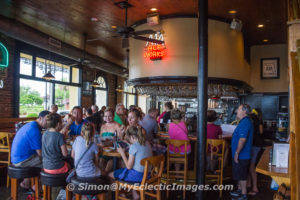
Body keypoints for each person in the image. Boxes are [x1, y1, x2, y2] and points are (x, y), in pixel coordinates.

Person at [109, 126, 152, 200]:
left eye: (129, 139)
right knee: (126, 170)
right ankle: (135, 194)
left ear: (132, 137)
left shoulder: (134, 147)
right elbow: (139, 149)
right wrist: (130, 145)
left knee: (110, 175)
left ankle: (121, 194)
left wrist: (122, 153)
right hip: (148, 174)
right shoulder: (147, 143)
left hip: (138, 176)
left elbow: (129, 166)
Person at [11, 110, 50, 189]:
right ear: (40, 118)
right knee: (50, 165)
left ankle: (26, 182)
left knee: (38, 159)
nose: (48, 122)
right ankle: (38, 187)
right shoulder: (35, 130)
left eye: (50, 120)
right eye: (47, 120)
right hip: (22, 160)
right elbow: (40, 154)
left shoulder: (31, 125)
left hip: (16, 158)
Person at [230, 104, 253, 200]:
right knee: (240, 173)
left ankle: (244, 195)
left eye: (238, 109)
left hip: (242, 154)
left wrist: (237, 153)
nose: (237, 111)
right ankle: (240, 191)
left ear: (244, 111)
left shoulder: (245, 122)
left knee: (242, 175)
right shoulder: (244, 121)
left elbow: (242, 139)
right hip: (242, 154)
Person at [247, 108, 263, 196]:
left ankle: (255, 187)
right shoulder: (259, 120)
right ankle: (249, 183)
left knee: (251, 167)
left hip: (254, 145)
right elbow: (261, 132)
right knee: (250, 165)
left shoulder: (250, 120)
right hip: (258, 144)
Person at [99, 108, 121, 173]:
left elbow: (120, 139)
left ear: (113, 116)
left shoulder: (117, 125)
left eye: (110, 116)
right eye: (105, 116)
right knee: (100, 162)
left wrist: (116, 139)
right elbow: (100, 138)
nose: (107, 118)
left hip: (114, 151)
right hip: (104, 150)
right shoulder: (103, 126)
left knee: (109, 165)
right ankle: (103, 178)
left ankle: (106, 178)